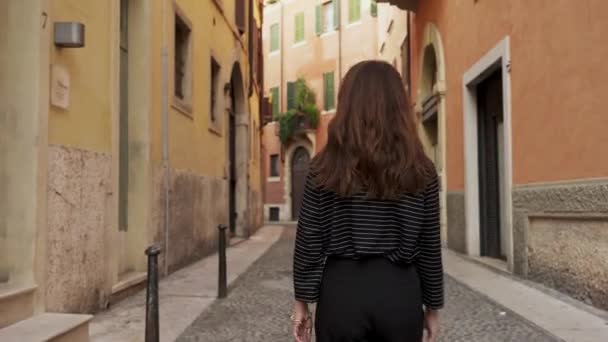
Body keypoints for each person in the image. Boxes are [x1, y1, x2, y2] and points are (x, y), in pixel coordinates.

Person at [291, 60, 444, 342]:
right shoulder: (421, 170)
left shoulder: (323, 168)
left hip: (342, 293)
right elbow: (429, 246)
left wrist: (302, 302)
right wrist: (432, 307)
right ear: (399, 107)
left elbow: (309, 239)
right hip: (400, 293)